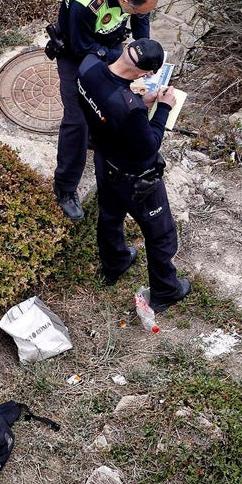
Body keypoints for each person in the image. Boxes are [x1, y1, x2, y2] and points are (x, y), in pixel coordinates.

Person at [76, 38, 191, 312]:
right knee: (161, 234)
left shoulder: (89, 67)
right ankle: (165, 290)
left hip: (106, 161)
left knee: (110, 215)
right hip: (136, 180)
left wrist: (140, 100)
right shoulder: (129, 109)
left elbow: (109, 104)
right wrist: (162, 107)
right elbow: (148, 146)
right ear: (144, 74)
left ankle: (115, 262)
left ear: (128, 49)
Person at [50, 0, 159, 221]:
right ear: (124, 2)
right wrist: (122, 57)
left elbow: (142, 17)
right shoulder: (85, 1)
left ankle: (96, 139)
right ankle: (65, 187)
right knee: (77, 121)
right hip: (78, 52)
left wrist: (143, 48)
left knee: (114, 104)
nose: (139, 15)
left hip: (110, 44)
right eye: (136, 11)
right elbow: (80, 47)